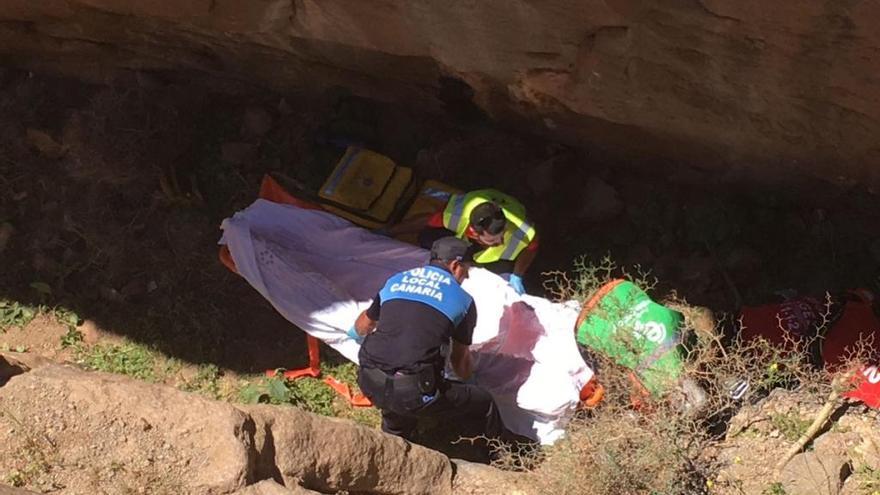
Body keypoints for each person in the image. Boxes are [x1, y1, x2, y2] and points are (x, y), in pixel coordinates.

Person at [348, 236, 503, 442]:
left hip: (368, 380)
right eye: (466, 269)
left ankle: (395, 434)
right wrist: (471, 381)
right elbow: (460, 363)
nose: (466, 276)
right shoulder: (463, 301)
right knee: (484, 403)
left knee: (399, 402)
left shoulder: (396, 280)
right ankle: (496, 449)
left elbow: (363, 325)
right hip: (412, 391)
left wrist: (353, 334)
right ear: (455, 265)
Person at [387, 188, 537, 295]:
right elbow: (427, 220)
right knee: (427, 238)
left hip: (509, 205)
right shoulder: (456, 217)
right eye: (492, 240)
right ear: (474, 233)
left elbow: (532, 247)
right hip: (475, 199)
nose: (501, 241)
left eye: (502, 234)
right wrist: (390, 231)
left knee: (500, 275)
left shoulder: (522, 233)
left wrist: (518, 274)